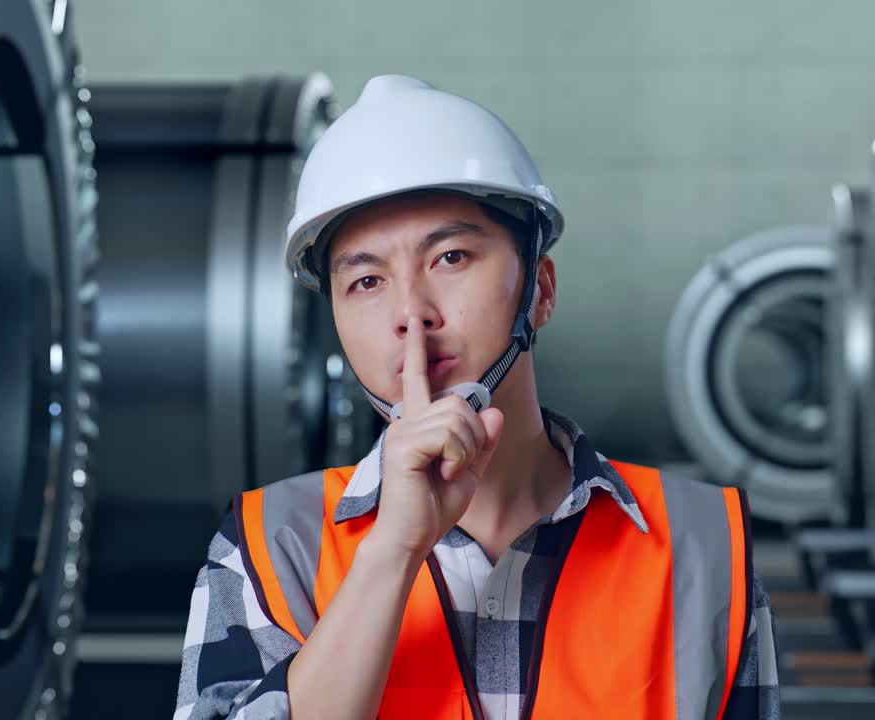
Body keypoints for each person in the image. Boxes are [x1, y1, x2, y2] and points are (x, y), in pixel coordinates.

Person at [174, 74, 779, 720]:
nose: (411, 314)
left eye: (451, 258)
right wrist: (394, 549)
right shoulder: (271, 547)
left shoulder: (705, 544)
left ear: (540, 290)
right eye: (367, 281)